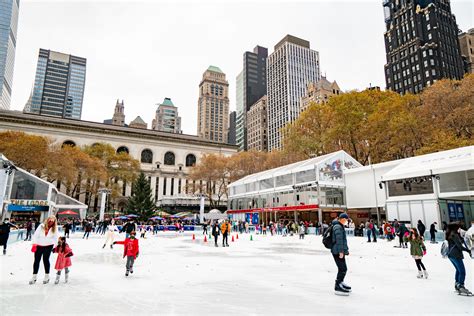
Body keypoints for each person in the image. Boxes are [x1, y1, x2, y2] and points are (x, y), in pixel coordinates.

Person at [30, 216, 60, 284]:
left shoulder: (55, 228)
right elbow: (36, 235)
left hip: (48, 246)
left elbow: (56, 237)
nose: (51, 221)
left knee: (45, 260)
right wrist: (34, 244)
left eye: (53, 220)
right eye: (50, 220)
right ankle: (34, 276)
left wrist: (56, 247)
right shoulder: (41, 226)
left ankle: (47, 276)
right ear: (47, 219)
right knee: (36, 261)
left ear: (54, 221)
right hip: (39, 246)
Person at [446, 222, 472, 295]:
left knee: (458, 270)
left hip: (451, 255)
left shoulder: (450, 234)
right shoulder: (454, 235)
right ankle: (461, 286)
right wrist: (468, 250)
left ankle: (457, 285)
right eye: (459, 227)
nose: (460, 229)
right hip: (456, 255)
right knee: (462, 271)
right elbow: (459, 246)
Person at [331, 213, 351, 296]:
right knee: (343, 269)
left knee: (342, 268)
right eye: (346, 220)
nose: (346, 221)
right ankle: (337, 285)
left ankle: (340, 283)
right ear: (342, 219)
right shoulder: (337, 227)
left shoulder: (339, 226)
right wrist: (341, 252)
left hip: (339, 250)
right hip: (337, 251)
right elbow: (339, 241)